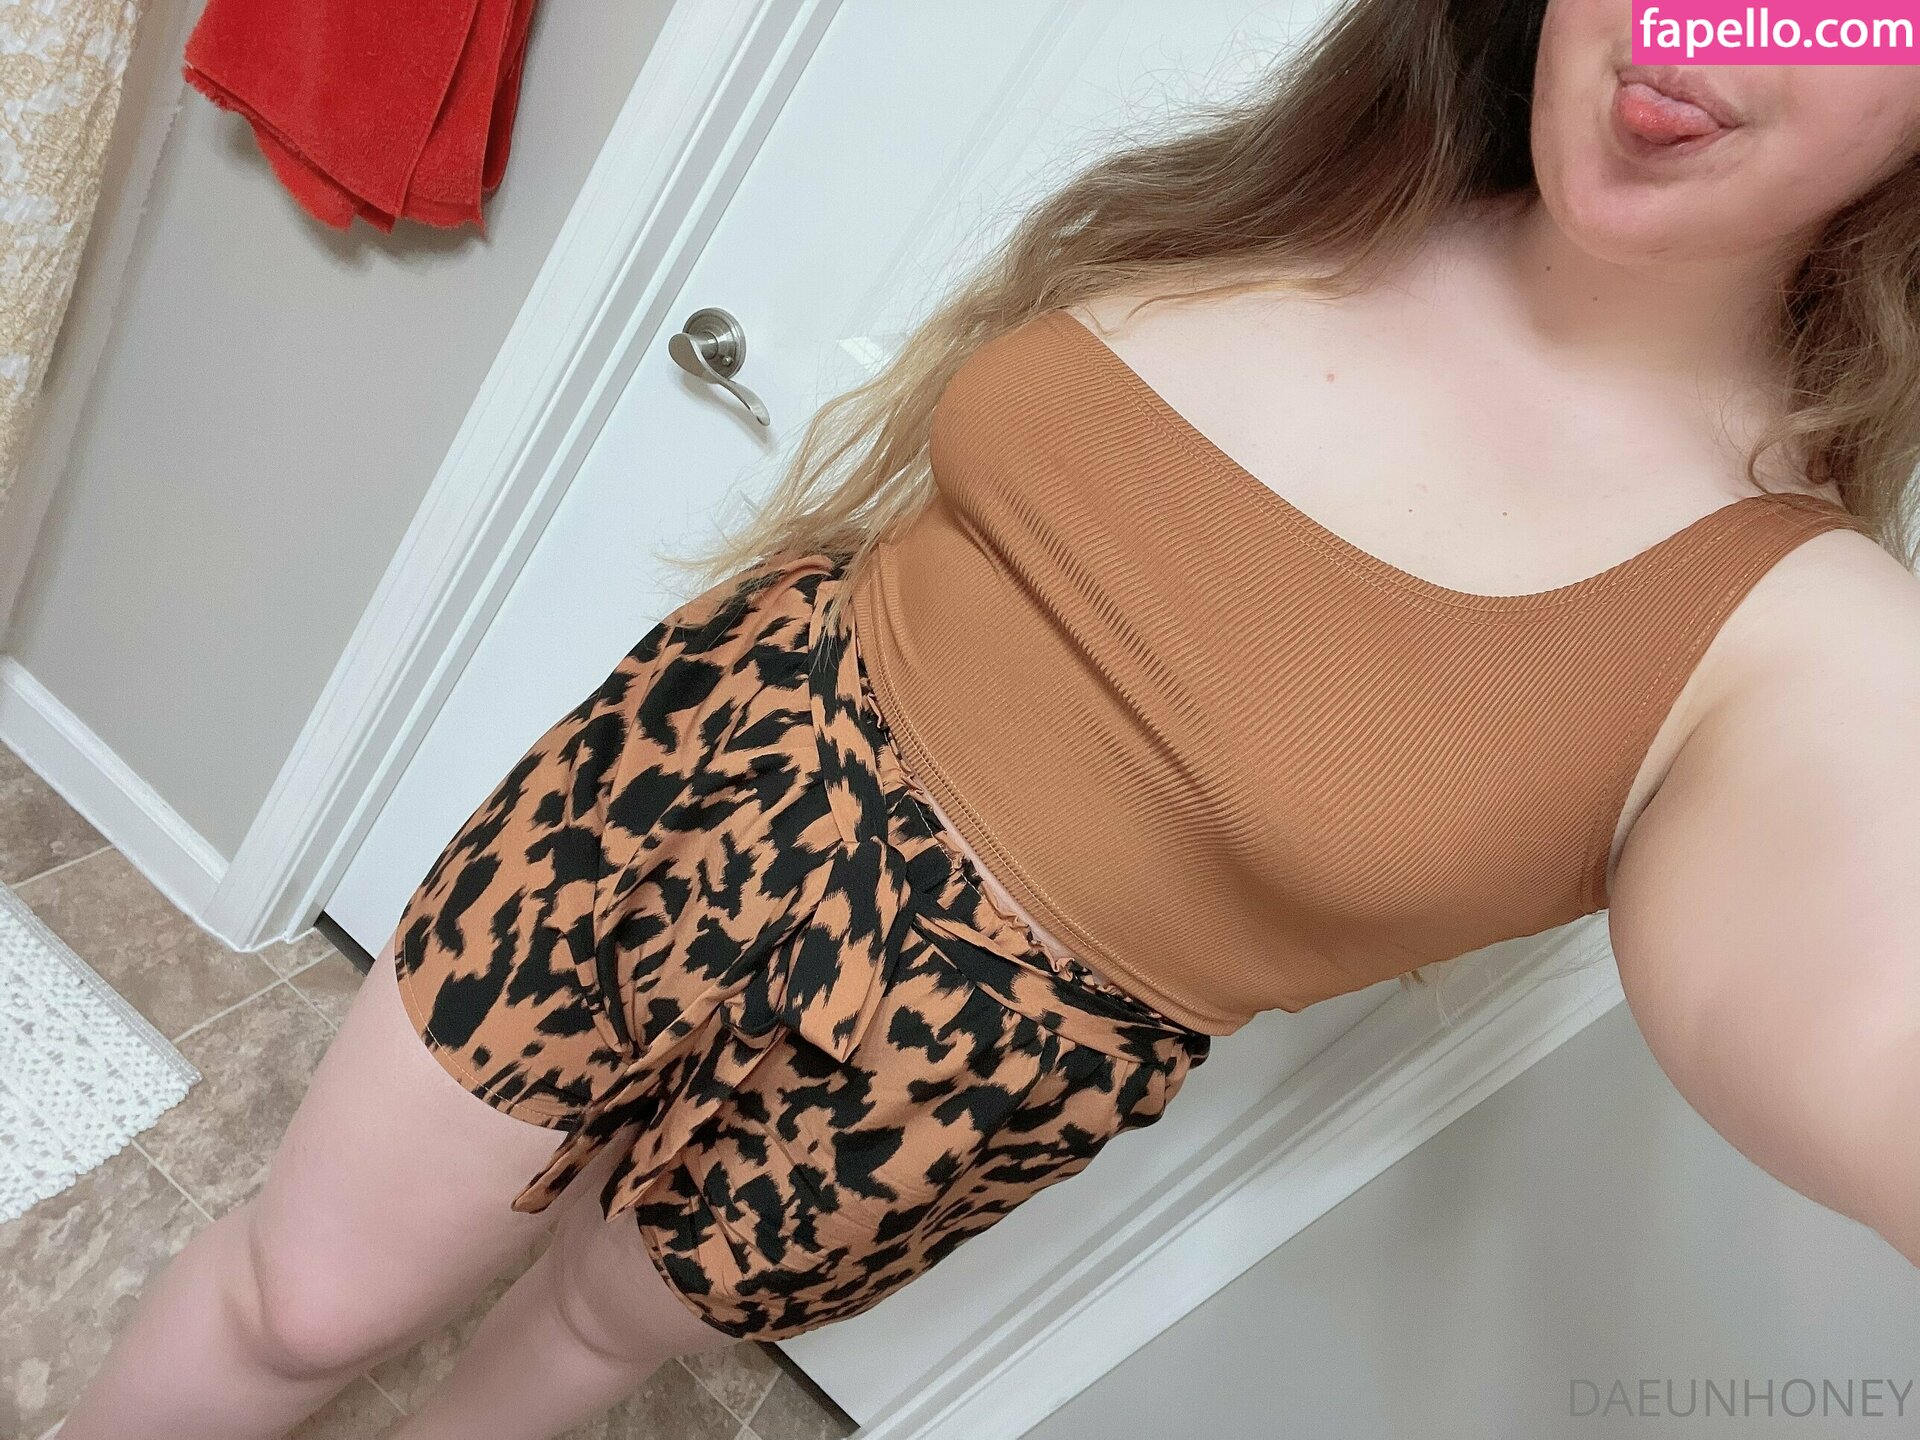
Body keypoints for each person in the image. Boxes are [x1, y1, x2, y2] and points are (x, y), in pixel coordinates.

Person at [61, 0, 1920, 1436]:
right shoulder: (1318, 183)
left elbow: (1868, 1013)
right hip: (696, 784)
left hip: (962, 1075)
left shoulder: (1797, 632)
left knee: (575, 1345)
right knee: (299, 1304)